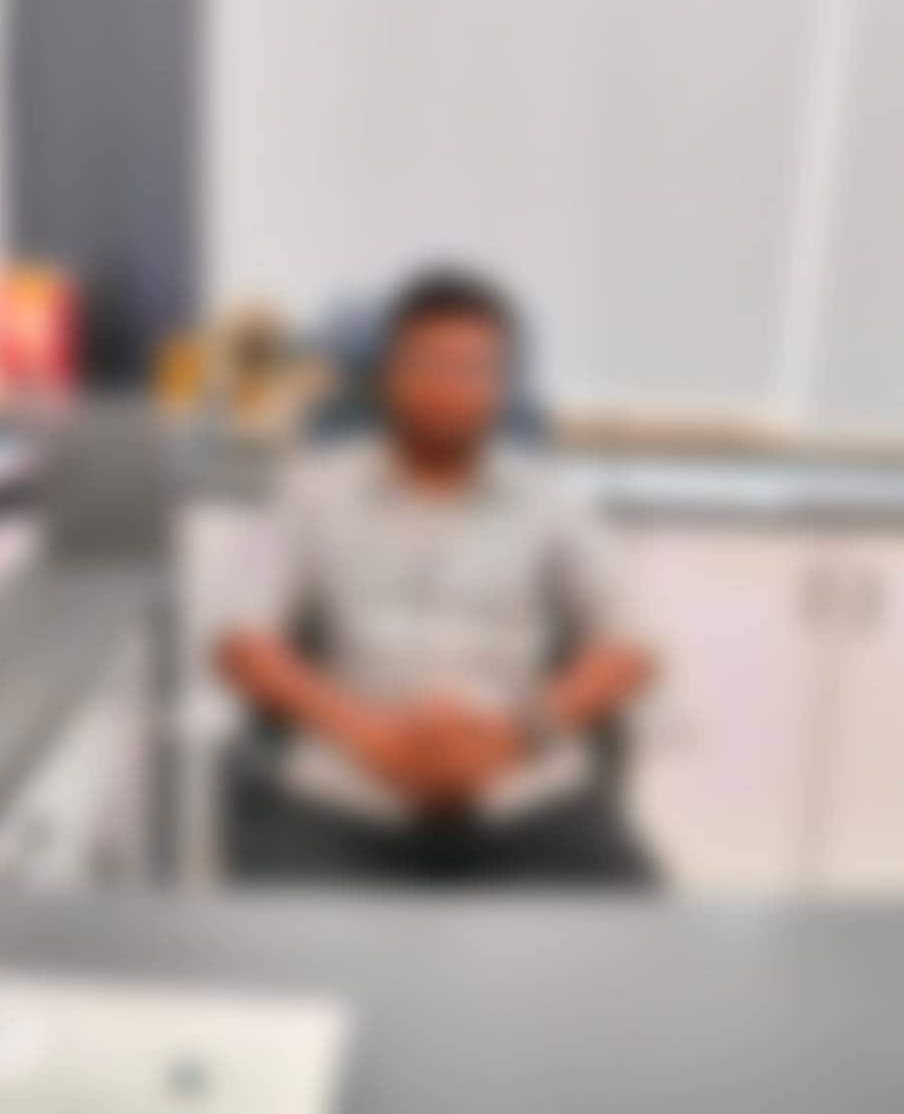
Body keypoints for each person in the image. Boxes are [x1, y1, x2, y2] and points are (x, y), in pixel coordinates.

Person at [216, 268, 657, 883]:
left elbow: (629, 647)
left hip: (522, 787)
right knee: (287, 938)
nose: (449, 386)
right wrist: (370, 737)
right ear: (389, 376)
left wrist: (512, 736)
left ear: (503, 385)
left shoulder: (551, 501)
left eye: (472, 368)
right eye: (428, 364)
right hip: (347, 789)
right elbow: (243, 642)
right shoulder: (313, 492)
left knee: (631, 929)